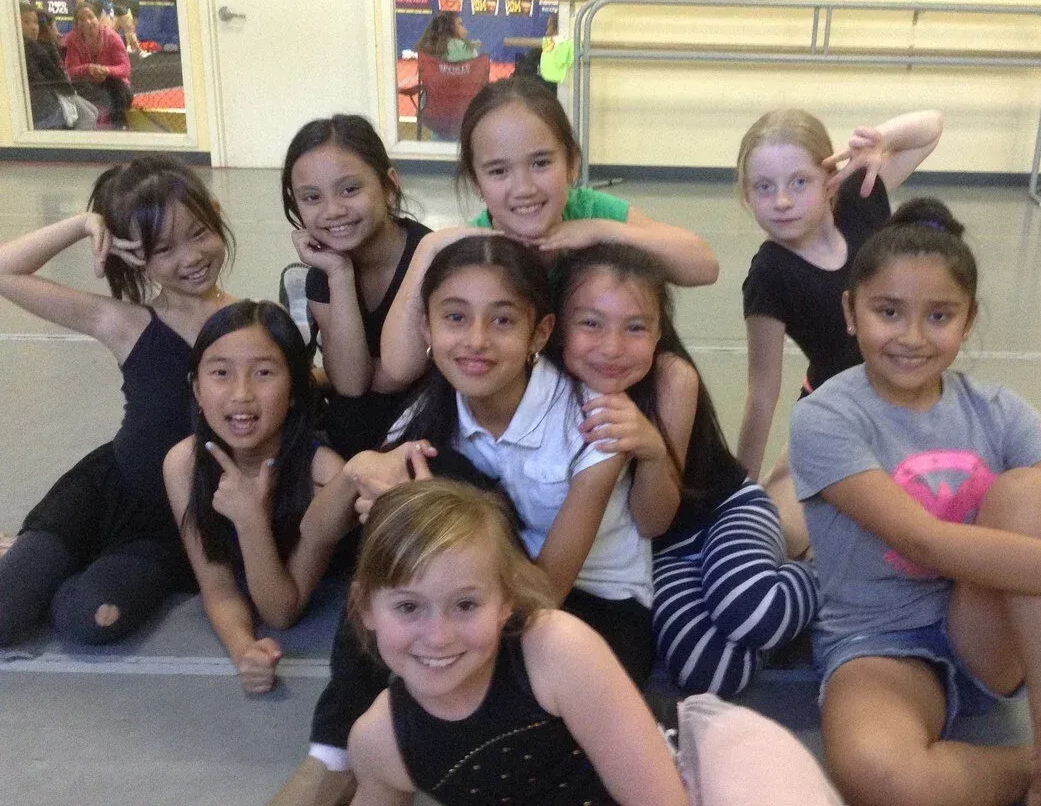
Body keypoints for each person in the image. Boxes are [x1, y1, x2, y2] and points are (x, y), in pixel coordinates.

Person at [790, 198, 1041, 806]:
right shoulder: (826, 416)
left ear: (969, 321)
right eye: (888, 311)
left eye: (938, 316)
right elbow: (928, 543)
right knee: (878, 773)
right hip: (878, 642)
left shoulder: (1000, 410)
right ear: (851, 312)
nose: (910, 337)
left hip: (993, 631)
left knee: (1034, 492)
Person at [271, 236, 653, 806]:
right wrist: (360, 471)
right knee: (395, 553)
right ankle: (333, 754)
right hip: (480, 595)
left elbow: (544, 592)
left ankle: (369, 750)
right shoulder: (428, 414)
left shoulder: (590, 421)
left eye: (502, 320)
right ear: (426, 329)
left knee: (431, 505)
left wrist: (428, 533)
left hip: (589, 610)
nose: (475, 341)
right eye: (454, 318)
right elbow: (317, 534)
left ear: (539, 334)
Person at [550, 243, 818, 696]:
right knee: (709, 675)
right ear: (556, 327)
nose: (612, 347)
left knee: (751, 609)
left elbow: (655, 515)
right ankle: (759, 578)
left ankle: (813, 570)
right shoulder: (549, 384)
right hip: (663, 551)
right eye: (591, 324)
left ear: (660, 333)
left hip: (721, 514)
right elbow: (653, 534)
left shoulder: (673, 377)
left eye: (636, 327)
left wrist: (653, 451)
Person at [0, 156, 237, 647]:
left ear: (215, 214)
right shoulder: (124, 322)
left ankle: (38, 565)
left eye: (198, 234)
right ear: (134, 256)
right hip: (102, 494)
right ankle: (32, 562)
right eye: (163, 248)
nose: (190, 257)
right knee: (5, 617)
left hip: (168, 523)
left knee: (92, 621)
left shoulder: (249, 322)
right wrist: (84, 224)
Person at [346, 478, 688, 806]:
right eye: (408, 607)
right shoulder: (380, 742)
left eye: (466, 605)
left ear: (505, 600)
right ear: (365, 607)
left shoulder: (556, 650)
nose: (439, 637)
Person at [379, 75, 719, 391]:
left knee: (678, 378)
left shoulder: (590, 211)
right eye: (498, 171)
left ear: (571, 163)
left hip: (600, 386)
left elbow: (703, 266)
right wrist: (428, 247)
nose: (524, 188)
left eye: (541, 163)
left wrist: (603, 230)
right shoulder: (477, 249)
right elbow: (398, 366)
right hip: (523, 396)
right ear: (476, 183)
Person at [735, 107, 943, 554]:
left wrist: (880, 139)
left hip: (909, 406)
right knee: (772, 538)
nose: (783, 201)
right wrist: (737, 494)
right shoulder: (769, 273)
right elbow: (762, 393)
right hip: (834, 415)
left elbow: (931, 127)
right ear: (747, 196)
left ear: (829, 179)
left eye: (799, 182)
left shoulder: (861, 199)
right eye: (764, 188)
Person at [163, 301, 354, 694]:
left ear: (296, 391)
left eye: (264, 373)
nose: (241, 394)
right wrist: (244, 649)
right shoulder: (183, 462)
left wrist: (251, 518)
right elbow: (218, 591)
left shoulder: (326, 475)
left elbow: (281, 611)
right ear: (198, 389)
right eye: (220, 373)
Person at [282, 115, 432, 459]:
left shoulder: (429, 257)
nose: (332, 211)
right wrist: (339, 273)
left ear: (389, 187)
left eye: (350, 189)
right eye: (311, 197)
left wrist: (350, 374)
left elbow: (400, 375)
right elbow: (351, 383)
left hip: (423, 429)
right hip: (352, 433)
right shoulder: (323, 271)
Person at [20, 3, 98, 131]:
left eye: (36, 22)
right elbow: (52, 77)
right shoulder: (36, 49)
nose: (34, 27)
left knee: (92, 112)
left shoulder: (39, 47)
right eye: (26, 22)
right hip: (49, 103)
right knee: (87, 117)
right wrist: (70, 91)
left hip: (57, 95)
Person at [63, 1, 133, 128]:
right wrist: (88, 68)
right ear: (76, 24)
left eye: (90, 17)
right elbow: (71, 70)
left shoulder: (112, 37)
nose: (87, 22)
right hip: (86, 83)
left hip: (113, 83)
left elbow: (125, 68)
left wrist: (105, 70)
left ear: (98, 18)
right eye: (81, 20)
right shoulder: (73, 40)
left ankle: (120, 126)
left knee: (118, 92)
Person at [414, 10, 480, 61]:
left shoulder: (425, 50)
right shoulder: (468, 50)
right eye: (460, 24)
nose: (465, 28)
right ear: (451, 28)